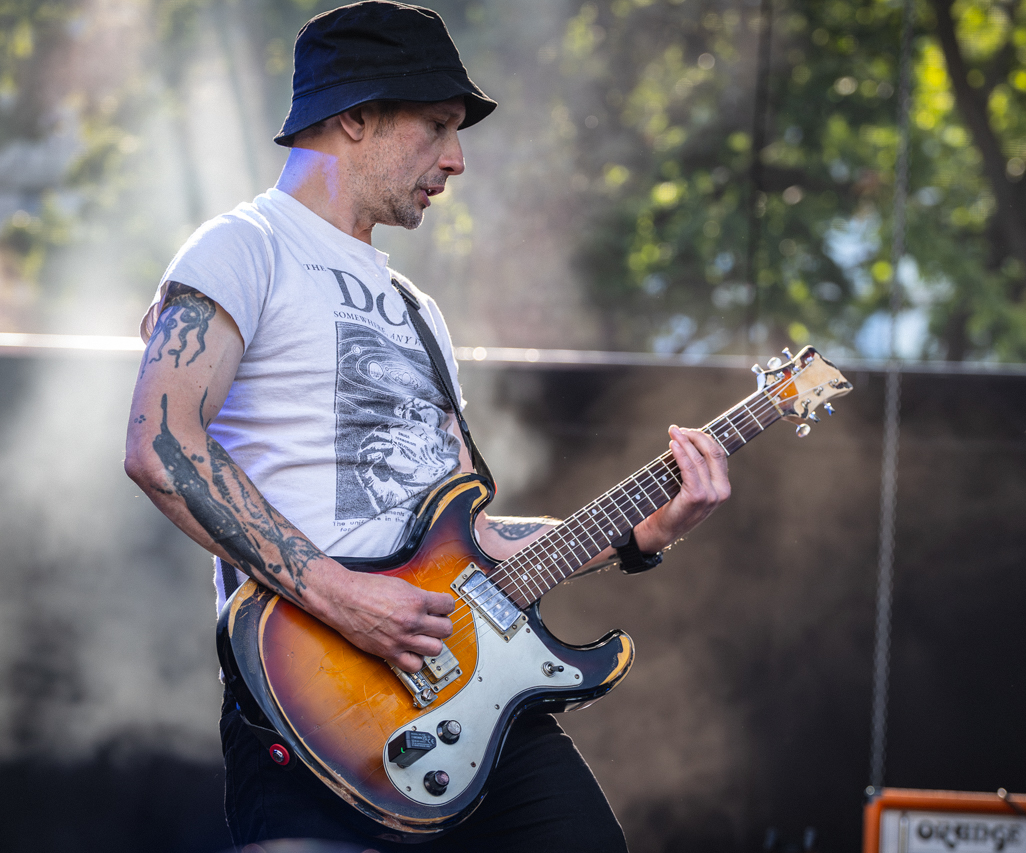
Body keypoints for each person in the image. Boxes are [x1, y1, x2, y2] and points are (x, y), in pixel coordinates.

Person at [122, 2, 731, 851]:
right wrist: (344, 596)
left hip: (465, 685)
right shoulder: (242, 248)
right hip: (318, 699)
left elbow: (462, 540)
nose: (457, 157)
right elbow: (159, 443)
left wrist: (641, 531)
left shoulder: (419, 312)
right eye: (438, 125)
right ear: (356, 116)